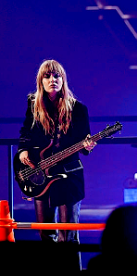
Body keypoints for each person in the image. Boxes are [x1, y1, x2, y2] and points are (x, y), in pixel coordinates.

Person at [18, 59, 96, 270]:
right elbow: (26, 132)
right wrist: (23, 149)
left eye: (57, 76)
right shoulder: (33, 104)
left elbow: (84, 141)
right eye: (48, 76)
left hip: (69, 176)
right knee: (45, 233)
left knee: (67, 235)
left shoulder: (78, 109)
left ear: (63, 80)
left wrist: (88, 146)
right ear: (41, 81)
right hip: (41, 175)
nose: (53, 79)